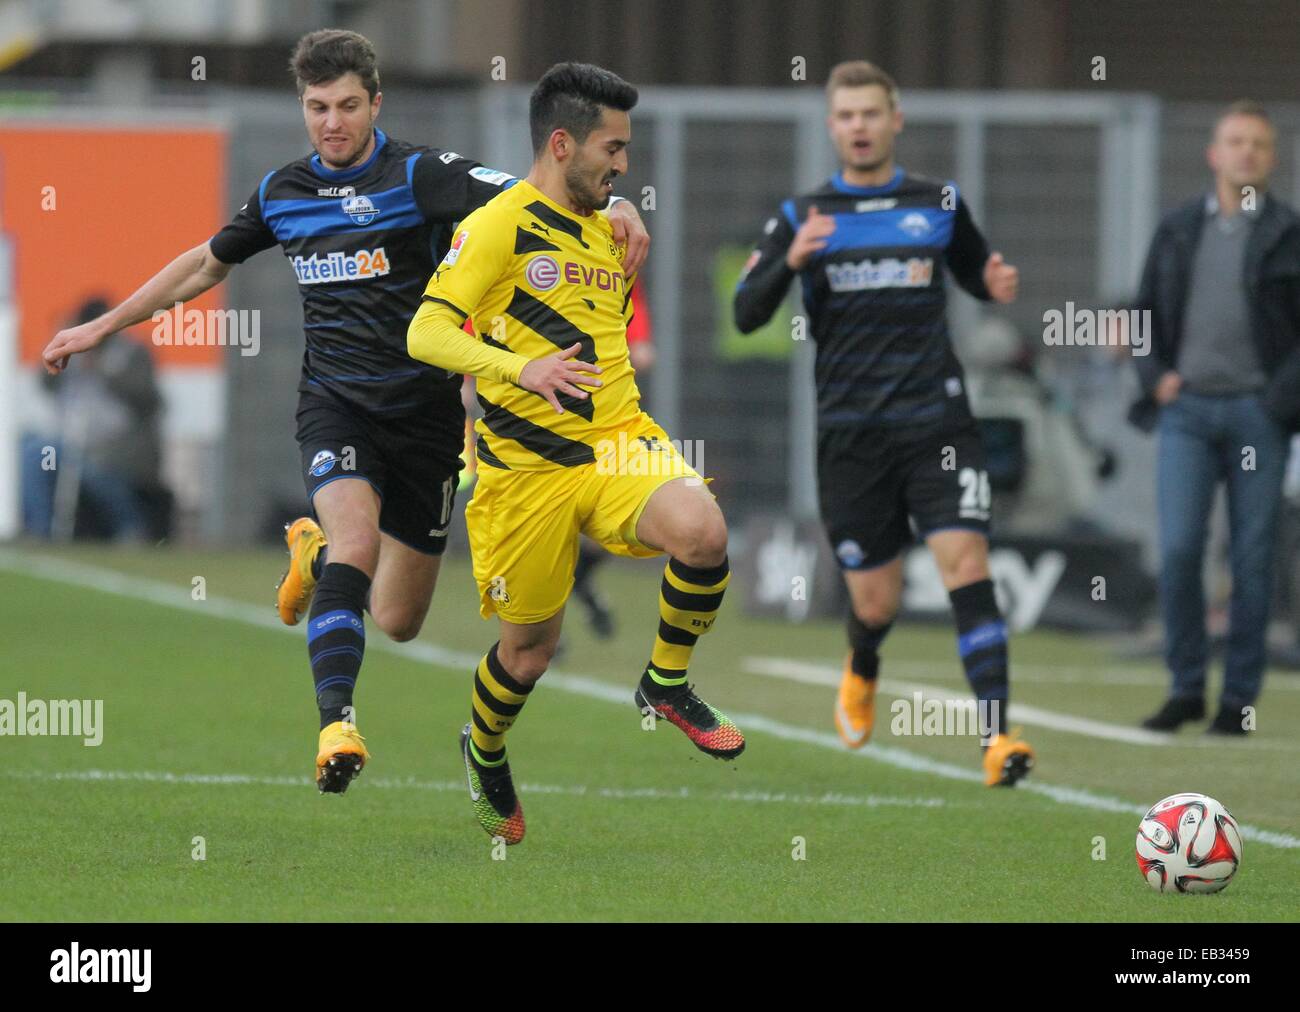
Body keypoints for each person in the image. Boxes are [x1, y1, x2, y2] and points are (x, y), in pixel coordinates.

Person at [40, 30, 649, 794]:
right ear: (304, 106)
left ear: (375, 104)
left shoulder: (424, 176)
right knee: (356, 548)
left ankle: (312, 558)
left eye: (348, 105)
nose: (333, 121)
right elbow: (201, 265)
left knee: (398, 619)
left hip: (427, 423)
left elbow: (540, 192)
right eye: (318, 106)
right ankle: (337, 724)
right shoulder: (281, 193)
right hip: (335, 408)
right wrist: (100, 327)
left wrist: (618, 197)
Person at [407, 62, 742, 845]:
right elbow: (426, 331)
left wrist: (620, 206)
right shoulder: (496, 225)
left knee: (703, 533)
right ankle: (483, 746)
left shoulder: (608, 223)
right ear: (562, 144)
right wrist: (520, 368)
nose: (623, 166)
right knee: (529, 653)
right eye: (612, 149)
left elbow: (605, 263)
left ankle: (665, 683)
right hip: (525, 474)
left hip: (618, 443)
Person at [733, 60, 1032, 786]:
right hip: (851, 434)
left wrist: (992, 282)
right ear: (832, 127)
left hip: (938, 423)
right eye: (846, 116)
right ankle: (862, 664)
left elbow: (972, 269)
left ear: (895, 120)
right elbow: (746, 313)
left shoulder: (939, 201)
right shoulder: (802, 215)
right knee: (877, 600)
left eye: (871, 114)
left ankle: (997, 738)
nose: (859, 127)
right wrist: (789, 263)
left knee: (967, 566)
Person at [1129, 100, 1300, 735]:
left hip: (1261, 415)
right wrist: (1155, 379)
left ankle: (1239, 704)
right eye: (1235, 141)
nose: (1246, 153)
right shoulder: (1177, 230)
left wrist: (1275, 400)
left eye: (1258, 143)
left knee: (1253, 559)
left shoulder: (1289, 233)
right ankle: (1185, 687)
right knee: (1177, 551)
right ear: (1214, 154)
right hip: (1188, 414)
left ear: (1272, 157)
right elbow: (1142, 312)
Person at [570, 283, 656, 637]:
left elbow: (642, 347)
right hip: (537, 423)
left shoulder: (612, 266)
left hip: (606, 420)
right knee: (536, 536)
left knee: (603, 530)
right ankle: (541, 631)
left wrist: (634, 348)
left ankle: (580, 584)